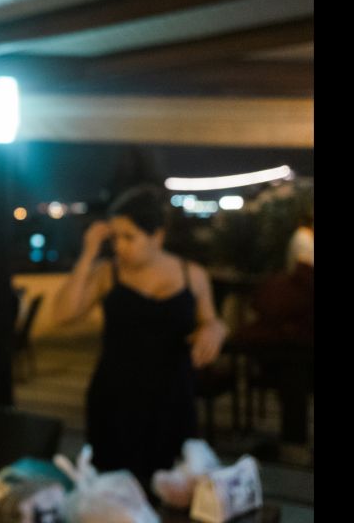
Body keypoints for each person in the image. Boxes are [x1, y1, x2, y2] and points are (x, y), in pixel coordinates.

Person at [48, 185, 227, 490]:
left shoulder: (191, 274)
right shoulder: (108, 273)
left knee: (175, 487)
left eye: (129, 237)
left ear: (157, 236)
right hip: (116, 398)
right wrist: (89, 252)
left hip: (173, 398)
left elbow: (211, 321)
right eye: (114, 237)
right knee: (115, 492)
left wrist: (215, 330)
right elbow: (62, 315)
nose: (119, 246)